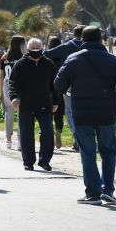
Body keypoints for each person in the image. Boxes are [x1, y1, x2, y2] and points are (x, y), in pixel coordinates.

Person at [54, 26, 116, 205]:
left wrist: (69, 90)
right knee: (108, 152)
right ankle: (108, 190)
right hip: (107, 115)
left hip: (82, 114)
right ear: (101, 40)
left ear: (82, 40)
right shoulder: (113, 60)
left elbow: (58, 83)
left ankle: (93, 193)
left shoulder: (73, 59)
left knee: (88, 152)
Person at [9, 38, 59, 172]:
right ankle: (28, 161)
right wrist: (14, 98)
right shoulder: (20, 64)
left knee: (48, 132)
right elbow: (13, 83)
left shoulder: (49, 64)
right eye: (33, 48)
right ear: (27, 49)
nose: (36, 50)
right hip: (25, 104)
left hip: (45, 104)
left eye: (38, 47)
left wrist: (56, 101)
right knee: (26, 134)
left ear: (42, 48)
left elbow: (55, 85)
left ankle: (44, 160)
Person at [44, 24, 85, 152]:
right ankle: (83, 137)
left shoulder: (66, 47)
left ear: (73, 34)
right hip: (88, 85)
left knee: (70, 112)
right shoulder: (90, 47)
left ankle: (77, 137)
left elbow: (46, 54)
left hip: (69, 86)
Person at [0, 36, 25, 150]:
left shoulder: (4, 57)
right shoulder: (23, 57)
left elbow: (1, 76)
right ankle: (20, 141)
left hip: (6, 86)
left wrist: (0, 92)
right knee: (22, 114)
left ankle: (8, 140)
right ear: (20, 45)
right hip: (19, 86)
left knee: (8, 114)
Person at [47, 36, 66, 150]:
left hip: (47, 89)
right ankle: (58, 131)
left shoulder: (46, 58)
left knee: (47, 114)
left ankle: (47, 134)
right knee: (59, 114)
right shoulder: (62, 59)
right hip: (58, 88)